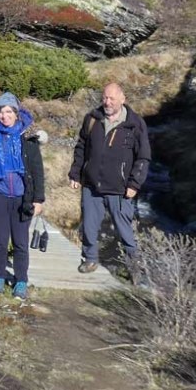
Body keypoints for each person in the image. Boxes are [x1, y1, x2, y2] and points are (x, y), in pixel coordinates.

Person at [68, 82, 151, 273]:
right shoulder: (92, 119)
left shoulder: (135, 124)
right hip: (91, 185)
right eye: (105, 97)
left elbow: (143, 157)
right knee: (88, 226)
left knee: (125, 231)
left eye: (112, 98)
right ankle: (90, 259)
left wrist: (134, 183)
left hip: (120, 189)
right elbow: (81, 147)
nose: (107, 102)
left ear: (123, 99)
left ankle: (134, 268)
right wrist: (75, 173)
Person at [0, 92, 45, 300]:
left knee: (21, 242)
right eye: (1, 112)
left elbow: (37, 171)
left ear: (16, 114)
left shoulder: (28, 142)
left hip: (23, 198)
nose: (4, 116)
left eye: (8, 112)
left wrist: (38, 199)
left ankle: (21, 280)